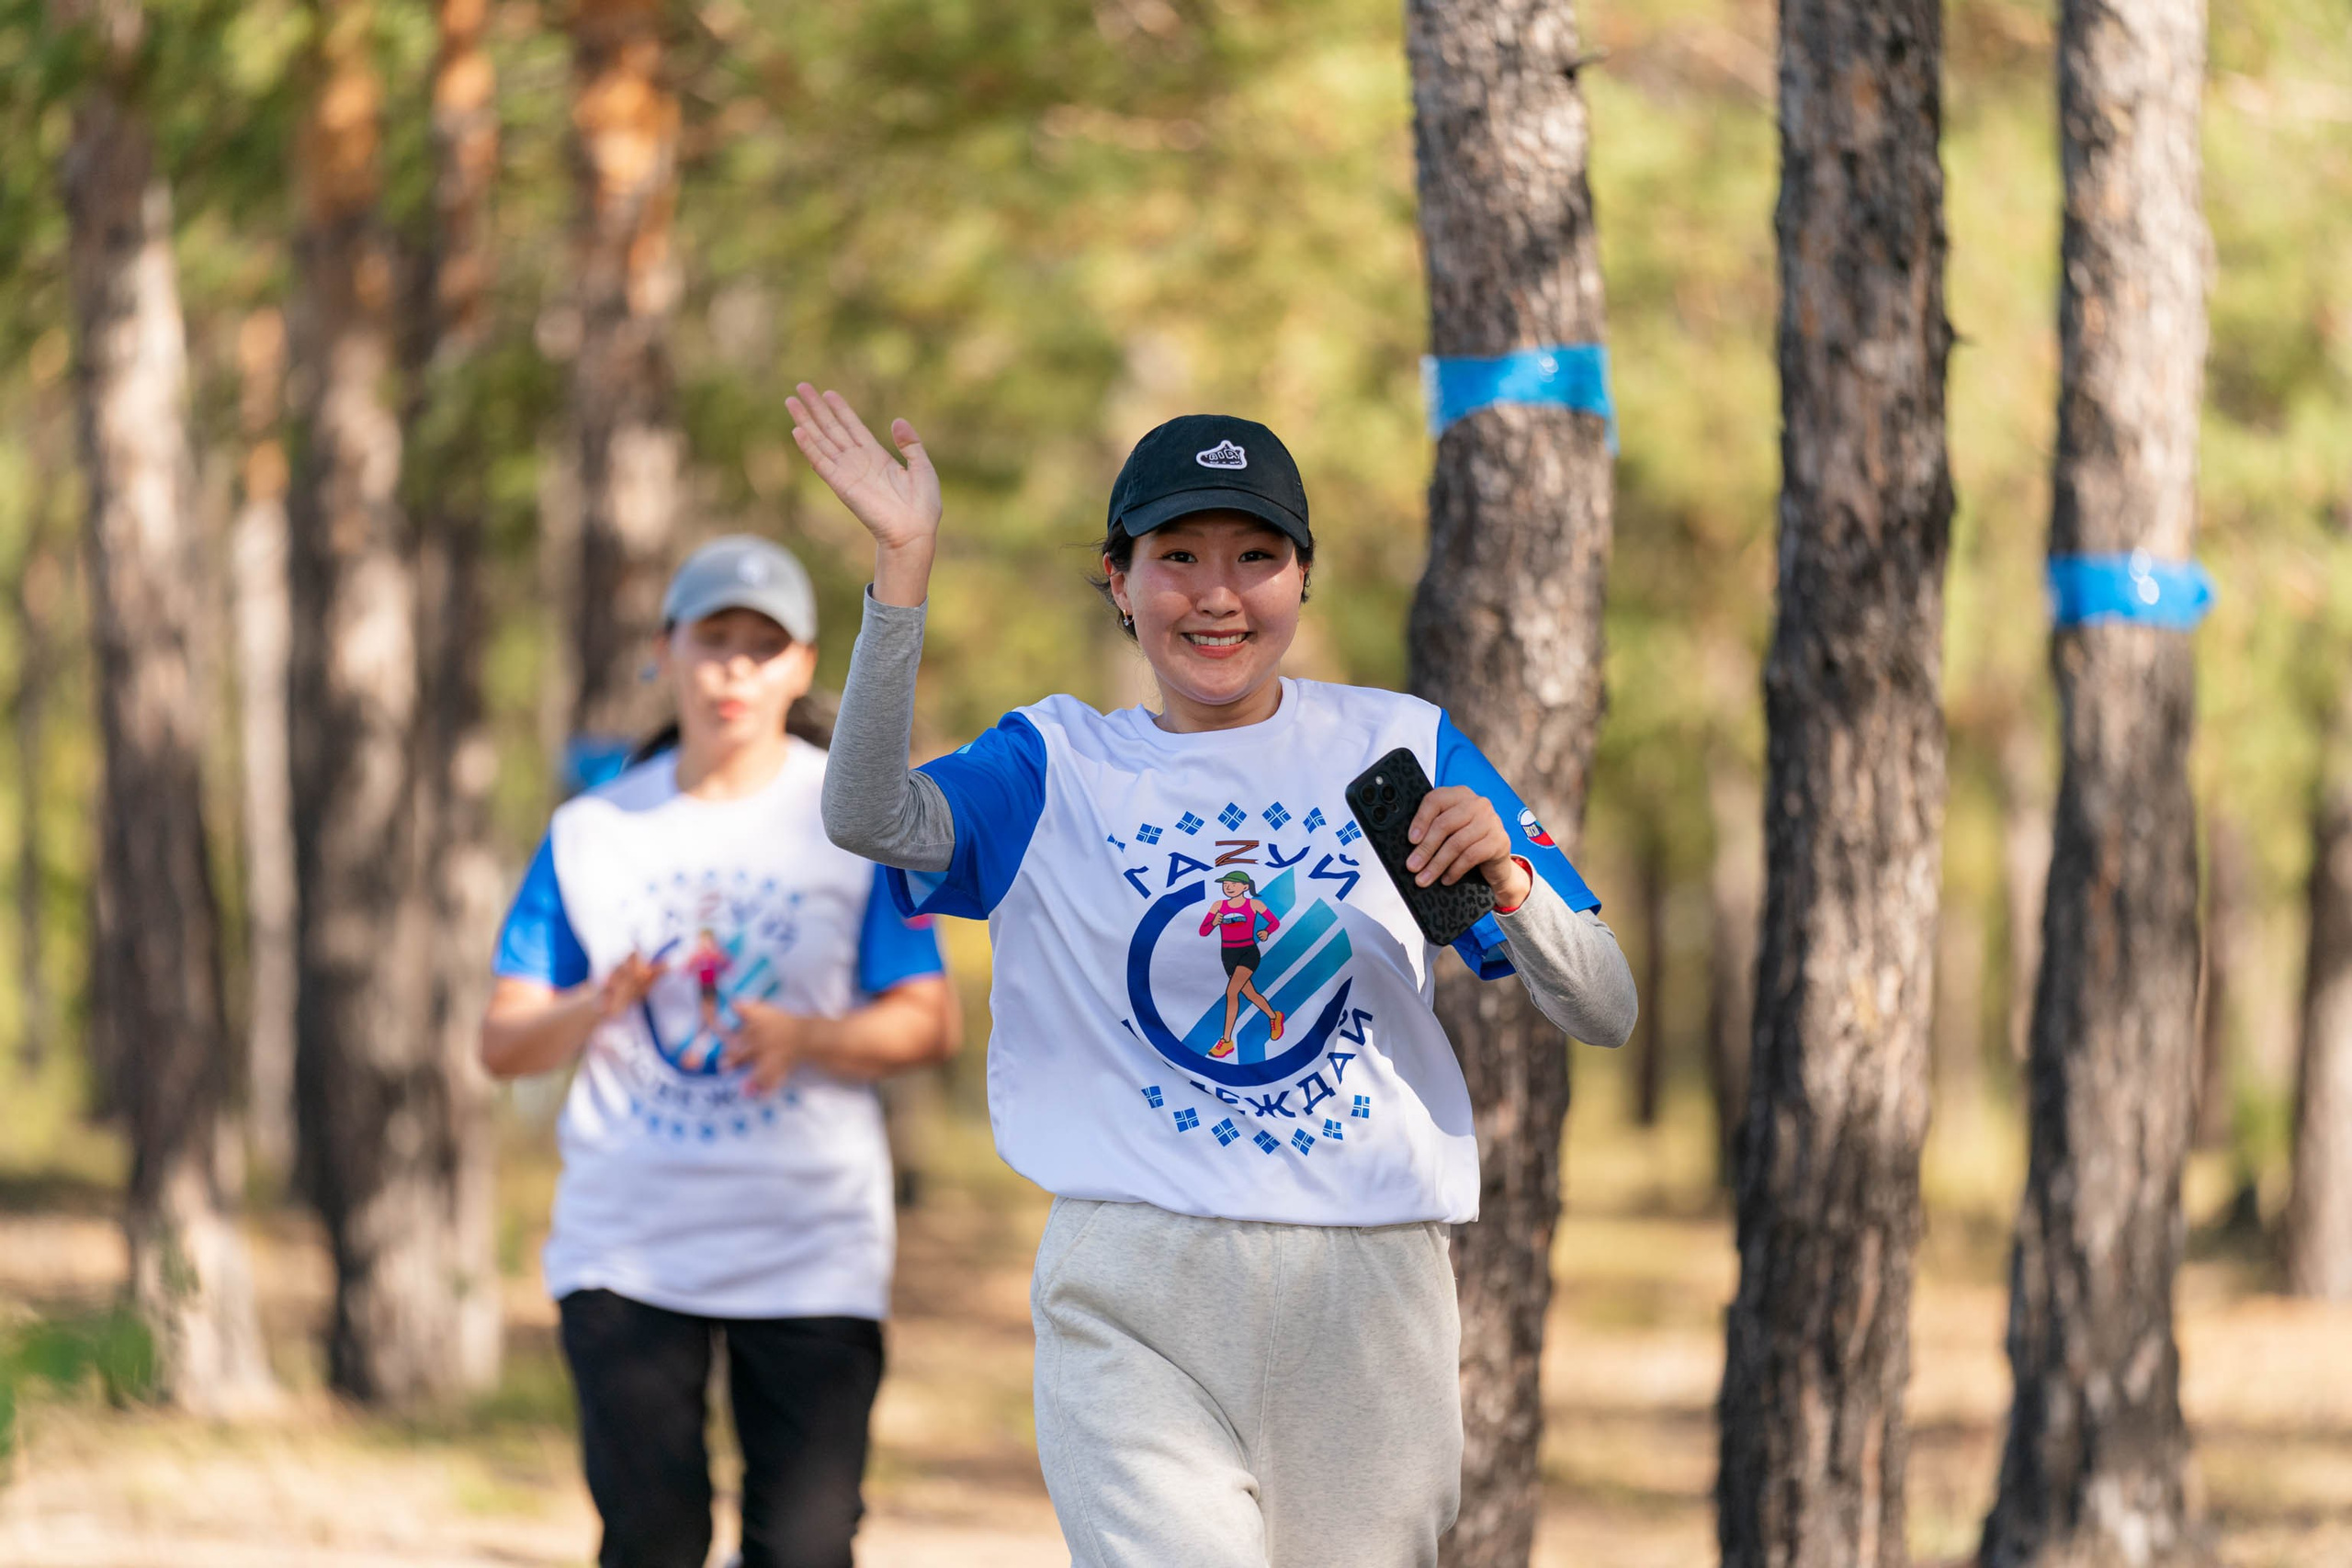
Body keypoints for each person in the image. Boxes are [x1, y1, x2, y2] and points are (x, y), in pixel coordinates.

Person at [795, 384, 1639, 1568]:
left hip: (1367, 1283)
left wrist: (1511, 883)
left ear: (1302, 578)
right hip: (1133, 1279)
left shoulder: (1398, 745)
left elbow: (1602, 1005)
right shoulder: (1057, 764)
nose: (1216, 593)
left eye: (1256, 556)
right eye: (1176, 555)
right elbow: (868, 813)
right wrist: (902, 569)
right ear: (1119, 580)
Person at [480, 536, 959, 1568]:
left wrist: (810, 1037)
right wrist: (594, 1007)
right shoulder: (592, 832)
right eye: (714, 640)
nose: (735, 668)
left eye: (763, 645)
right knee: (652, 1538)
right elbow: (504, 1042)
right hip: (627, 1249)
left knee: (804, 1548)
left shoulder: (855, 817)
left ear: (800, 664)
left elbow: (929, 1020)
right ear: (666, 651)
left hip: (810, 1252)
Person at [1199, 869, 1282, 1057]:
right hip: (1228, 954)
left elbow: (1274, 922)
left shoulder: (1254, 904)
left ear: (1245, 887)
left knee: (1231, 992)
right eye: (1225, 884)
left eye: (1233, 884)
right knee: (1251, 994)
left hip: (1248, 952)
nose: (1228, 887)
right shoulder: (1218, 905)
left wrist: (1266, 932)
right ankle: (1274, 1016)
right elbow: (1203, 931)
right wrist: (1214, 922)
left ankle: (1226, 1041)